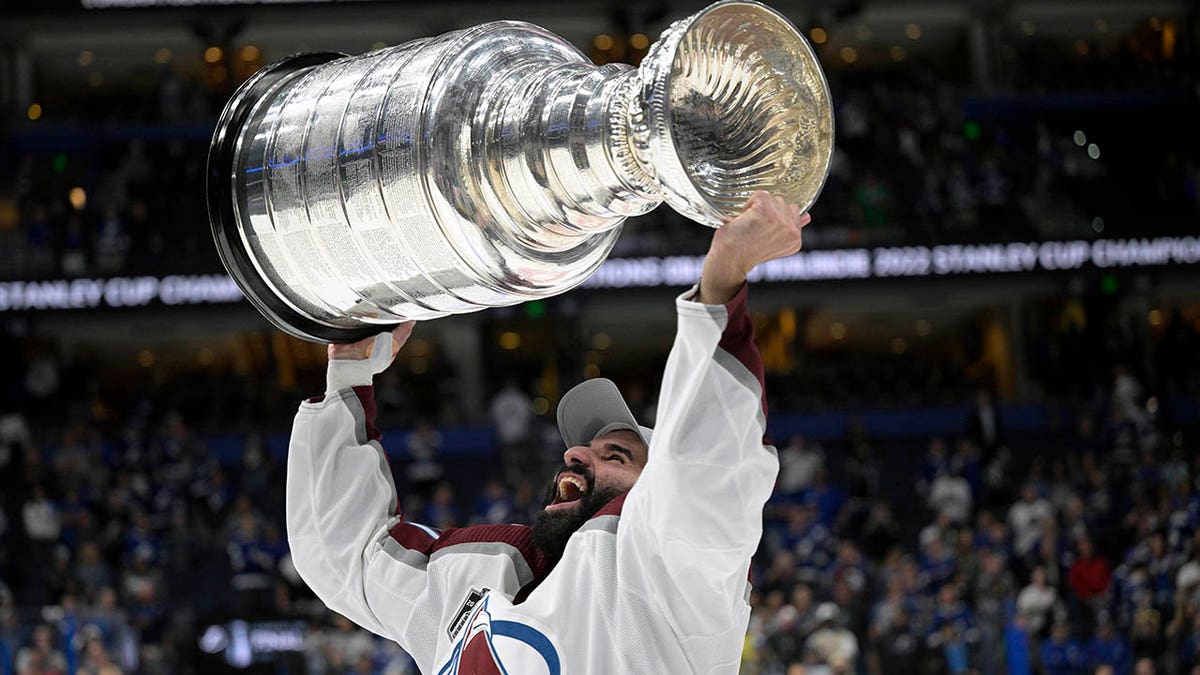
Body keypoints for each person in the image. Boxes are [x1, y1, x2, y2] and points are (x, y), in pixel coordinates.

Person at [286, 192, 809, 674]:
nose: (577, 452)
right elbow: (351, 553)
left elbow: (709, 468)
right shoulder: (475, 581)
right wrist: (351, 374)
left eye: (617, 454)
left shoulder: (674, 579)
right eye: (585, 446)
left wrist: (721, 285)